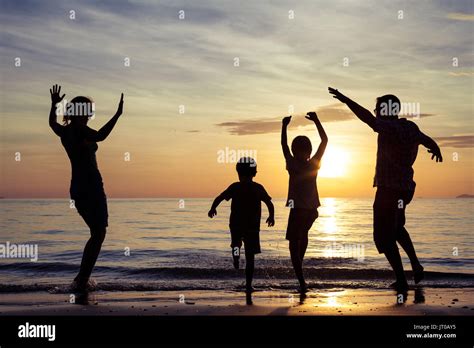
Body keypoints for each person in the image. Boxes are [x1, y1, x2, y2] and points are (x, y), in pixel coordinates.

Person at [328, 87, 442, 295]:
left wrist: (346, 100)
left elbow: (367, 118)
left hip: (388, 189)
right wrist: (436, 148)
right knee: (397, 229)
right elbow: (427, 140)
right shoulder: (410, 127)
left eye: (378, 108)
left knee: (383, 237)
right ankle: (416, 265)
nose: (375, 111)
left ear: (386, 109)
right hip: (406, 189)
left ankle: (401, 280)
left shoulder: (390, 127)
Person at [48, 84, 124, 292]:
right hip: (91, 186)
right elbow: (100, 136)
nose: (91, 113)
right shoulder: (79, 129)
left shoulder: (65, 131)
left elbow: (51, 123)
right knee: (99, 233)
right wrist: (117, 115)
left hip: (77, 188)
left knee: (96, 232)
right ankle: (81, 280)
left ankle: (82, 279)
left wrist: (54, 105)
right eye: (89, 109)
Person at [208, 157, 274, 304]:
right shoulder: (257, 187)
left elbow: (220, 197)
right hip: (252, 227)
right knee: (250, 257)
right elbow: (269, 203)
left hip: (237, 225)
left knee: (236, 245)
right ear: (255, 173)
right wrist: (271, 216)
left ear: (238, 172)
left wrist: (213, 208)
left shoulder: (235, 187)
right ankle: (248, 285)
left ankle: (236, 257)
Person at [281, 112, 328, 293]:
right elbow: (324, 141)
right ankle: (300, 276)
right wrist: (316, 121)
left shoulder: (293, 164)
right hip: (311, 211)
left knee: (294, 244)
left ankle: (301, 281)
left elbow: (284, 145)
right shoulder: (313, 163)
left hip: (299, 210)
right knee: (302, 237)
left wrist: (284, 126)